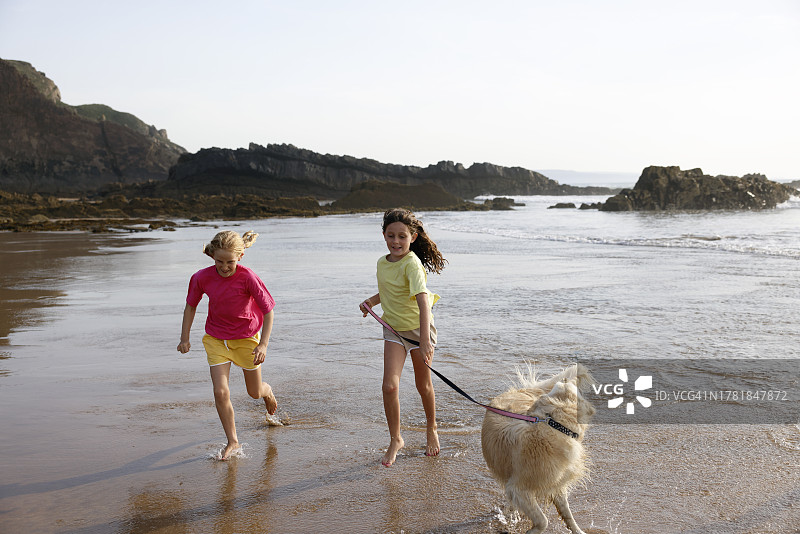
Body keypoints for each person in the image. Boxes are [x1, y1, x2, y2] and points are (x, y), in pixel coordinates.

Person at [177, 230, 278, 460]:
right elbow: (190, 306)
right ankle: (232, 441)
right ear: (212, 255)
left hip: (246, 340)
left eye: (230, 262)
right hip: (216, 339)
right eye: (219, 261)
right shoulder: (201, 277)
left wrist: (263, 345)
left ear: (241, 256)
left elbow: (268, 311)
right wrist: (185, 337)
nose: (224, 267)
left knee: (254, 392)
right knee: (220, 391)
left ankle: (267, 391)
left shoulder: (248, 277)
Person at [360, 208, 447, 467]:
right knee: (389, 386)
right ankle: (396, 438)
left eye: (401, 236)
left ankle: (431, 428)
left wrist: (425, 342)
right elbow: (389, 290)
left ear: (413, 237)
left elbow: (423, 303)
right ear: (383, 235)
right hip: (394, 329)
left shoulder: (413, 264)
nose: (395, 241)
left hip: (419, 330)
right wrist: (372, 302)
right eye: (390, 235)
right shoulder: (381, 262)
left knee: (423, 385)